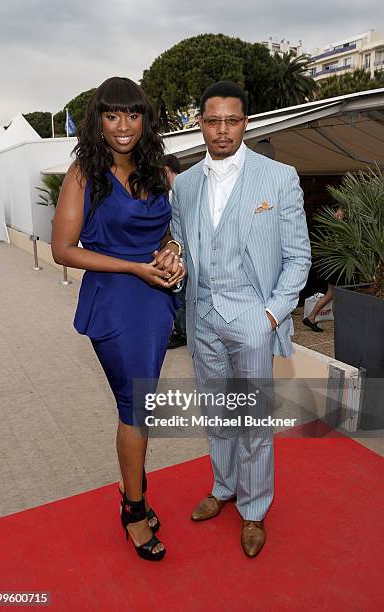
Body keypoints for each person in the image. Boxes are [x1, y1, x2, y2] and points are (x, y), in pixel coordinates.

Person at [171, 81, 311, 557]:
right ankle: (223, 486)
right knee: (217, 412)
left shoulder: (278, 177)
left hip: (253, 317)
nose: (223, 130)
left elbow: (298, 257)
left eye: (232, 120)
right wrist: (172, 257)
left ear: (245, 122)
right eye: (213, 121)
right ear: (201, 124)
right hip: (203, 315)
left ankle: (254, 510)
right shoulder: (185, 184)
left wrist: (270, 315)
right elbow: (180, 244)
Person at [51, 77, 184, 562]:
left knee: (142, 405)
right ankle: (133, 508)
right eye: (112, 116)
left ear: (145, 119)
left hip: (156, 301)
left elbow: (174, 229)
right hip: (115, 300)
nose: (123, 126)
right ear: (98, 121)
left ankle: (136, 488)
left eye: (132, 115)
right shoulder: (84, 174)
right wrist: (133, 266)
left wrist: (170, 250)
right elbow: (62, 249)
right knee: (135, 405)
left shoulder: (158, 172)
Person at [303, 207, 345, 332]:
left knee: (331, 294)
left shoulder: (333, 226)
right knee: (336, 294)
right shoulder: (340, 229)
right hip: (338, 266)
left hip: (335, 265)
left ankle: (311, 317)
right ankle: (313, 317)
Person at [163, 153, 187, 349]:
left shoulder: (180, 189)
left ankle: (181, 332)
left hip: (182, 252)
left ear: (165, 170)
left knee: (179, 295)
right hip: (178, 251)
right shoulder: (173, 191)